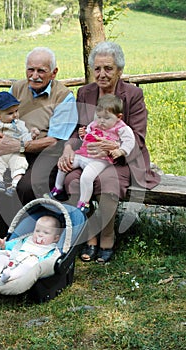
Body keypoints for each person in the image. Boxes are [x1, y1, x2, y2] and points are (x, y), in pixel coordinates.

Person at [58, 41, 161, 264]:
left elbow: (138, 137)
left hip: (120, 159)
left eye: (108, 68)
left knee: (108, 182)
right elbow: (78, 129)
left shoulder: (133, 95)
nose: (102, 74)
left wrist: (114, 148)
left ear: (119, 70)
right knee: (72, 180)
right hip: (89, 157)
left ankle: (107, 237)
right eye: (97, 68)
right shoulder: (85, 92)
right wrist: (68, 147)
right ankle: (90, 237)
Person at [0, 47, 78, 207]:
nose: (34, 76)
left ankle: (36, 227)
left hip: (47, 155)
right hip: (14, 152)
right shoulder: (17, 88)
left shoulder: (63, 96)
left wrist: (18, 146)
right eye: (30, 70)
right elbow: (0, 123)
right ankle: (12, 226)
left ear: (54, 72)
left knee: (26, 187)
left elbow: (54, 141)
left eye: (41, 71)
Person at [48, 94, 135, 213]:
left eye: (106, 118)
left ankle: (84, 202)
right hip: (84, 154)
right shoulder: (95, 123)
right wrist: (83, 135)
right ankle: (57, 189)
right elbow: (87, 137)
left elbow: (130, 141)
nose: (101, 121)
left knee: (87, 177)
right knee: (65, 164)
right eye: (99, 117)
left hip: (100, 159)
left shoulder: (121, 128)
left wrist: (120, 150)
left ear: (119, 117)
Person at [0, 215, 63, 285]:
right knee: (2, 256)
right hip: (13, 258)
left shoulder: (52, 249)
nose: (40, 235)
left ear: (55, 238)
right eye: (37, 231)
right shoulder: (26, 239)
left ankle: (9, 276)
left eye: (46, 233)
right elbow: (13, 245)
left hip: (27, 264)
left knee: (29, 265)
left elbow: (48, 262)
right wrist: (3, 244)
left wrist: (38, 262)